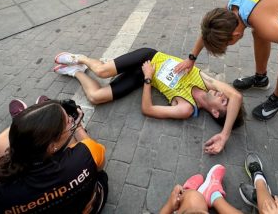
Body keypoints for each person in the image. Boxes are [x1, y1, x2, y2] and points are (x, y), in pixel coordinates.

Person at [53, 48, 244, 154]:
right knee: (102, 71)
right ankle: (81, 57)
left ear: (216, 112)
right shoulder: (208, 81)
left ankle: (75, 71)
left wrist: (147, 78)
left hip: (144, 75)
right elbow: (236, 96)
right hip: (148, 56)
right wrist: (224, 135)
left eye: (223, 102)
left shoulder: (186, 108)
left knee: (96, 97)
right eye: (225, 96)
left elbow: (147, 109)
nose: (223, 95)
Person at [0, 100, 108, 214]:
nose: (71, 120)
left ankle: (26, 123)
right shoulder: (87, 152)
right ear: (52, 146)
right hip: (89, 206)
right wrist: (78, 127)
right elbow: (99, 167)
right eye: (68, 121)